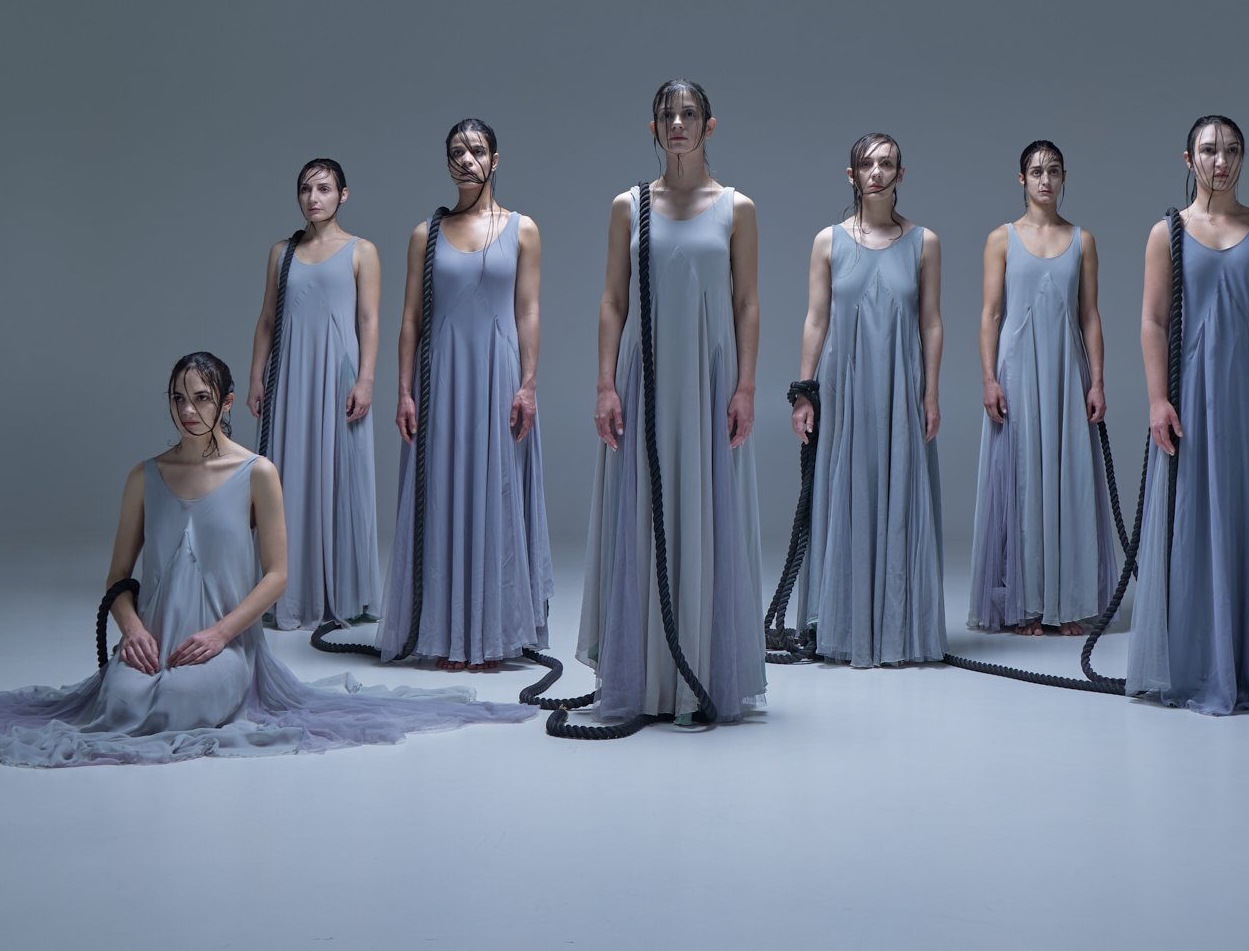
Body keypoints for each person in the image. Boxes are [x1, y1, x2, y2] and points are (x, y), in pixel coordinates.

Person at [0, 354, 533, 766]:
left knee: (181, 706)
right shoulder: (143, 474)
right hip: (154, 640)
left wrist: (220, 634)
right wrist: (132, 630)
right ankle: (143, 674)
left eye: (202, 397)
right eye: (178, 397)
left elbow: (278, 575)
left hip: (222, 644)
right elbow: (118, 578)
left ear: (227, 402)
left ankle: (212, 676)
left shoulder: (257, 472)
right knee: (120, 703)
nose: (188, 409)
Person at [578, 79, 767, 725]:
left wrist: (746, 386)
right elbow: (612, 300)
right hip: (647, 377)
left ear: (709, 126)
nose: (678, 123)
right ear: (653, 128)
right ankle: (646, 680)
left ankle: (701, 675)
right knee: (642, 513)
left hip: (710, 378)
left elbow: (747, 301)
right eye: (667, 114)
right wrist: (606, 384)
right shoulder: (628, 206)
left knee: (709, 511)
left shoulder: (737, 207)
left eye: (689, 113)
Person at [1125, 116, 1249, 714]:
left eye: (1232, 150)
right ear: (1189, 160)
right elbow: (1153, 320)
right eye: (1209, 150)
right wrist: (1157, 400)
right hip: (1191, 397)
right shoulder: (1167, 233)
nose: (1221, 161)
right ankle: (1195, 662)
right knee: (1193, 517)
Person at [379, 120, 552, 673]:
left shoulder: (523, 229)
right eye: (456, 151)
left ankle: (491, 633)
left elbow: (528, 310)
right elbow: (410, 319)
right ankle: (445, 633)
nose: (466, 159)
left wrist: (528, 383)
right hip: (442, 379)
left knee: (496, 493)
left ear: (495, 160)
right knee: (443, 492)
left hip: (498, 376)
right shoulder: (424, 234)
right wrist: (403, 391)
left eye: (476, 150)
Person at [791, 132, 945, 667]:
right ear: (851, 175)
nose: (876, 173)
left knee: (900, 490)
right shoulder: (827, 241)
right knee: (843, 491)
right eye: (866, 165)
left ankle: (898, 627)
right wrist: (803, 393)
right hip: (844, 387)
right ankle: (841, 622)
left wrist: (930, 391)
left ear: (901, 174)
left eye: (886, 164)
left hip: (901, 385)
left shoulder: (924, 242)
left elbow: (931, 322)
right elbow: (816, 320)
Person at [968, 140, 1115, 637]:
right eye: (1036, 171)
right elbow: (990, 314)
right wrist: (988, 378)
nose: (1045, 180)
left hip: (1066, 374)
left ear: (1064, 177)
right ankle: (1026, 605)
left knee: (1070, 480)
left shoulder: (1082, 240)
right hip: (1018, 372)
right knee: (1023, 482)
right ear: (1022, 179)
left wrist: (1098, 380)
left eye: (1053, 171)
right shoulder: (1001, 238)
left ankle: (1069, 603)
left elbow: (1090, 315)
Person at [245, 158, 381, 629]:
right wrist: (257, 376)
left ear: (343, 195)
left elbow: (369, 321)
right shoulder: (280, 252)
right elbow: (267, 318)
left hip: (338, 378)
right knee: (286, 477)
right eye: (305, 189)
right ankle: (287, 592)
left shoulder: (362, 250)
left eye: (324, 188)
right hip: (290, 376)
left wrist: (366, 379)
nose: (313, 198)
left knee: (344, 477)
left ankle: (344, 593)